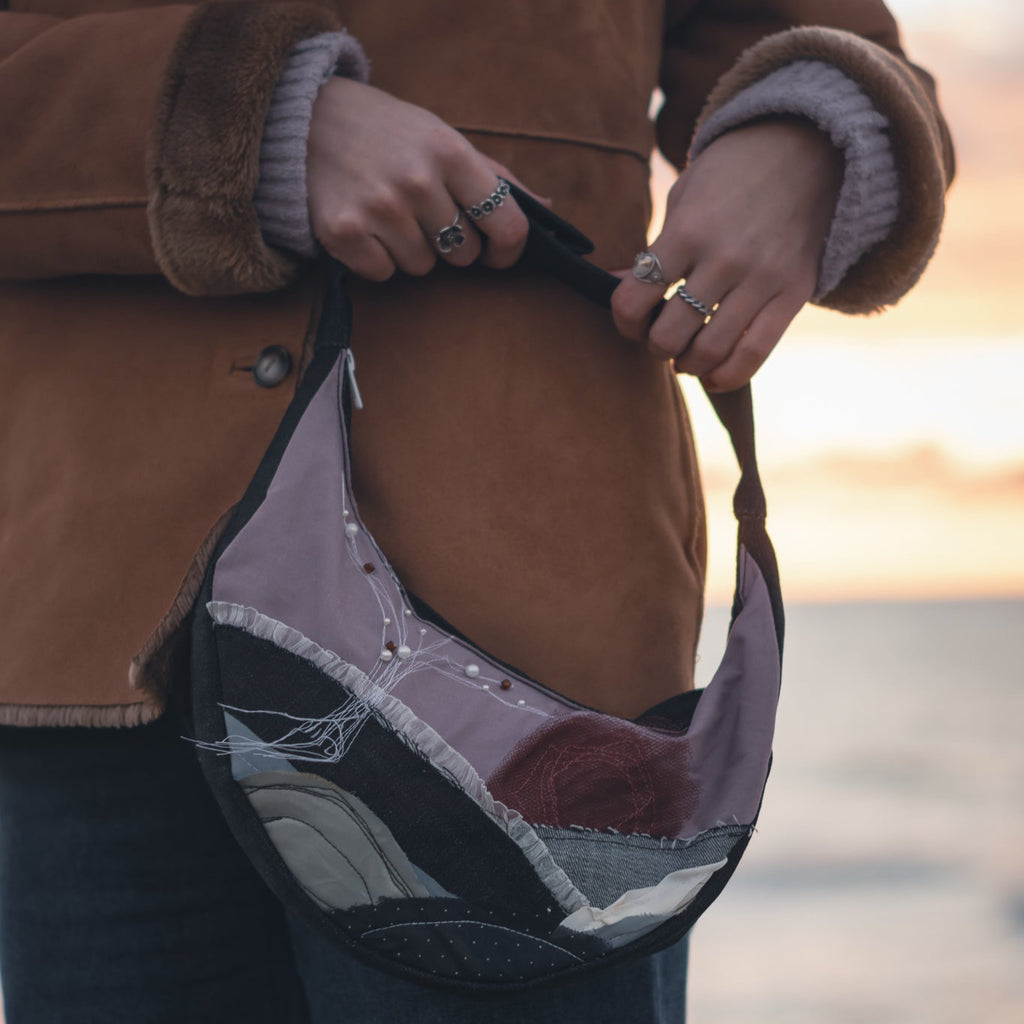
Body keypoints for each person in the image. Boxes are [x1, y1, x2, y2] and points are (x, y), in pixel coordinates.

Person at [0, 0, 953, 1020]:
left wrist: (802, 140)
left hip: (527, 638)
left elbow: (825, 46)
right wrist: (250, 123)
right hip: (93, 624)